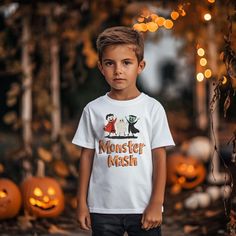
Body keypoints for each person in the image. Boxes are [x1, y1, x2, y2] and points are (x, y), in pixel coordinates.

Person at [72, 26, 175, 236]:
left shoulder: (152, 108)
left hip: (143, 207)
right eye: (110, 63)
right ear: (101, 67)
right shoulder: (93, 110)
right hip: (102, 208)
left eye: (126, 62)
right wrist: (81, 202)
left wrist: (157, 202)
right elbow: (86, 157)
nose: (118, 70)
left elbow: (159, 158)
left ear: (140, 65)